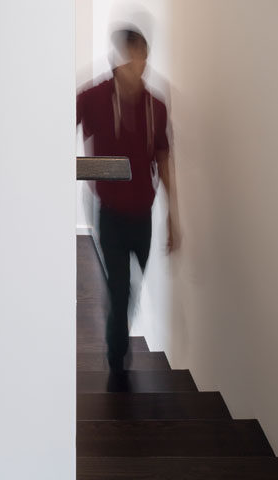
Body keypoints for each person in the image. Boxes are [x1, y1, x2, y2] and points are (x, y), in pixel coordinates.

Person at [76, 24, 180, 392]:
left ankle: (116, 328)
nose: (141, 66)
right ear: (119, 59)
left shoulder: (158, 106)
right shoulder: (92, 97)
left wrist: (173, 218)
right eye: (134, 58)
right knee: (120, 290)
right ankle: (117, 363)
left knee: (130, 290)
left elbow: (164, 161)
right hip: (109, 212)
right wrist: (82, 171)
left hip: (143, 215)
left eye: (144, 58)